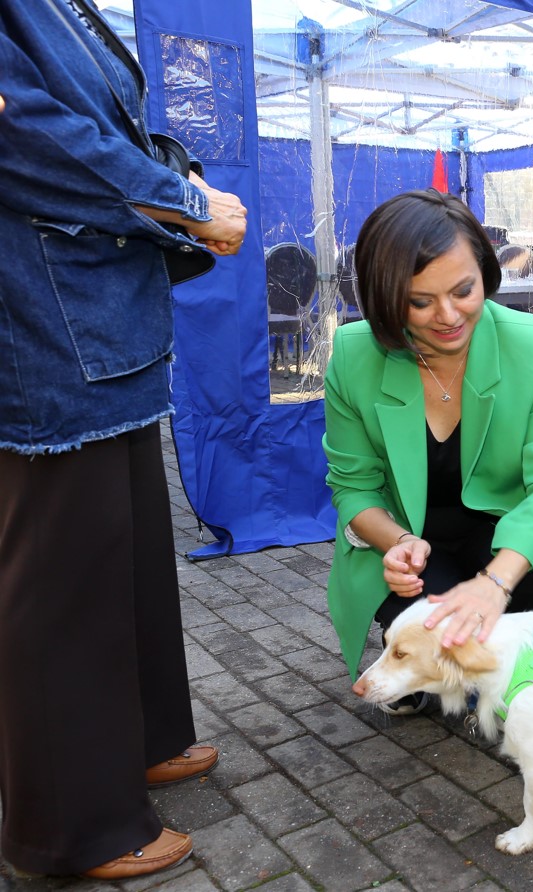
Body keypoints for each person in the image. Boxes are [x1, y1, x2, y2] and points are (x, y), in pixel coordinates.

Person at [0, 0, 246, 879]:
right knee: (66, 574)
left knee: (132, 554)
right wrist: (184, 201)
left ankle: (141, 739)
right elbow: (24, 136)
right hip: (48, 330)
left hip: (103, 320)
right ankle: (71, 824)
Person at [324, 190, 533, 707]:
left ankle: (489, 660)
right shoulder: (354, 355)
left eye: (464, 290)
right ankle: (412, 650)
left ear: (486, 273)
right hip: (413, 541)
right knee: (422, 611)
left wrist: (494, 584)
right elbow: (353, 487)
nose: (448, 316)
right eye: (419, 302)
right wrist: (396, 541)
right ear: (385, 297)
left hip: (500, 533)